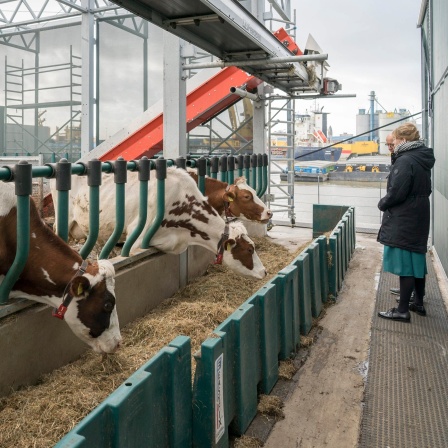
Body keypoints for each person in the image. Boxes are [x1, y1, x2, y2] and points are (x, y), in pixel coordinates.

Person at [377, 123, 435, 322]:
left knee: (405, 265)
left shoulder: (405, 160)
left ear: (403, 140)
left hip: (405, 217)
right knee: (416, 260)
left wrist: (382, 204)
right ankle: (418, 301)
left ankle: (402, 310)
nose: (391, 146)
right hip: (419, 213)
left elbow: (396, 192)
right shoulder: (421, 158)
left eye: (393, 142)